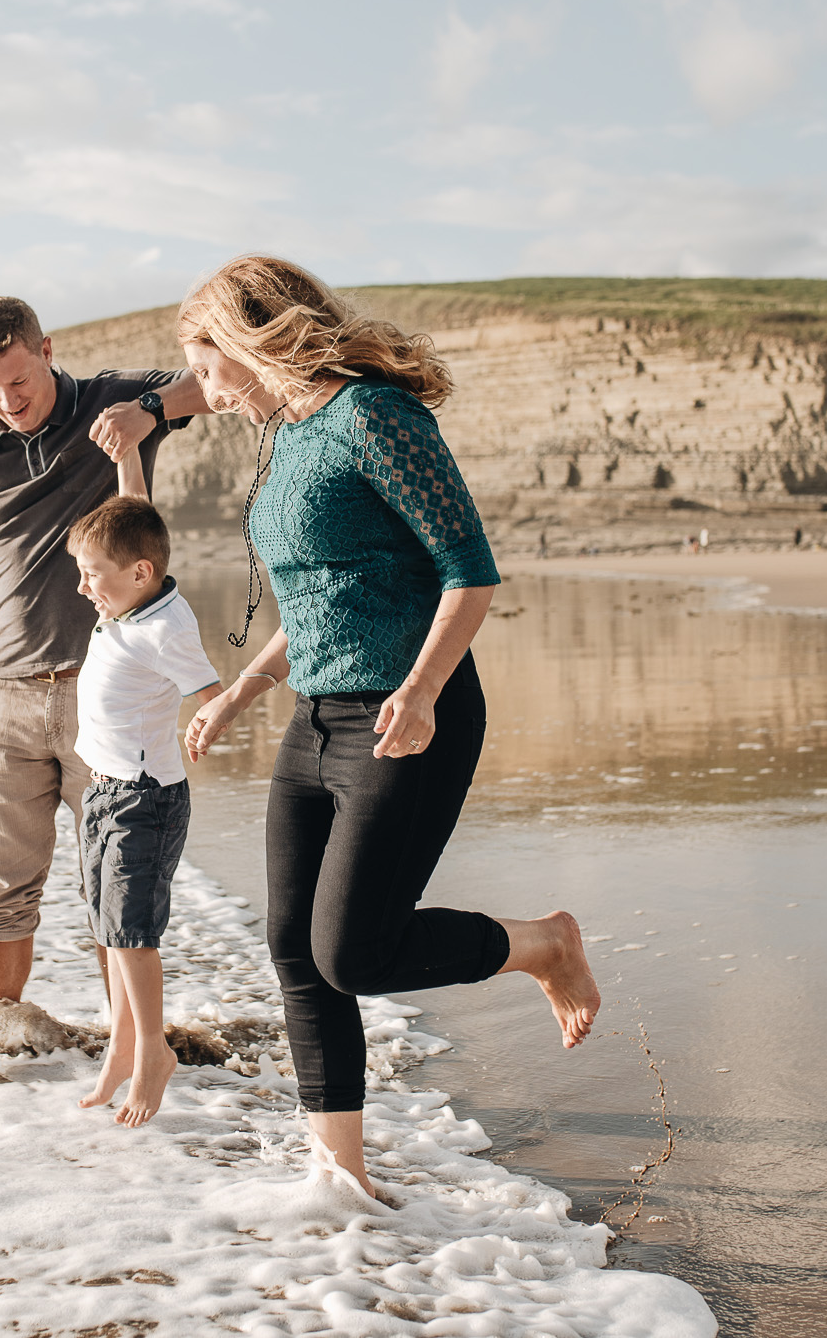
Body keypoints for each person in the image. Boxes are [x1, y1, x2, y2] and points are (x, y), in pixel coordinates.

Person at [168, 256, 601, 1199]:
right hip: (315, 719)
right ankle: (340, 1178)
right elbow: (319, 600)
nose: (203, 392)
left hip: (412, 713)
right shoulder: (284, 438)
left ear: (250, 342)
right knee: (295, 952)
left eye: (206, 368)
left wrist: (423, 688)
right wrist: (239, 691)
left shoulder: (376, 417)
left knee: (351, 952)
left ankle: (543, 944)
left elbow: (469, 570)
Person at [0, 296, 208, 1003]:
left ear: (47, 351)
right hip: (3, 695)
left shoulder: (110, 399)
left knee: (112, 881)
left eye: (20, 381)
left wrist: (153, 411)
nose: (9, 400)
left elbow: (222, 380)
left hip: (103, 691)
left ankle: (129, 1054)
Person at [65, 492, 221, 1126]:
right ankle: (122, 1047)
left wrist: (205, 722)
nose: (82, 587)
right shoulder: (128, 602)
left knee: (132, 934)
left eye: (91, 573)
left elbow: (210, 691)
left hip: (144, 799)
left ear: (139, 572)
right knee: (108, 929)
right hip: (103, 792)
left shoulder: (164, 627)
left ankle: (153, 1052)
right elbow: (132, 505)